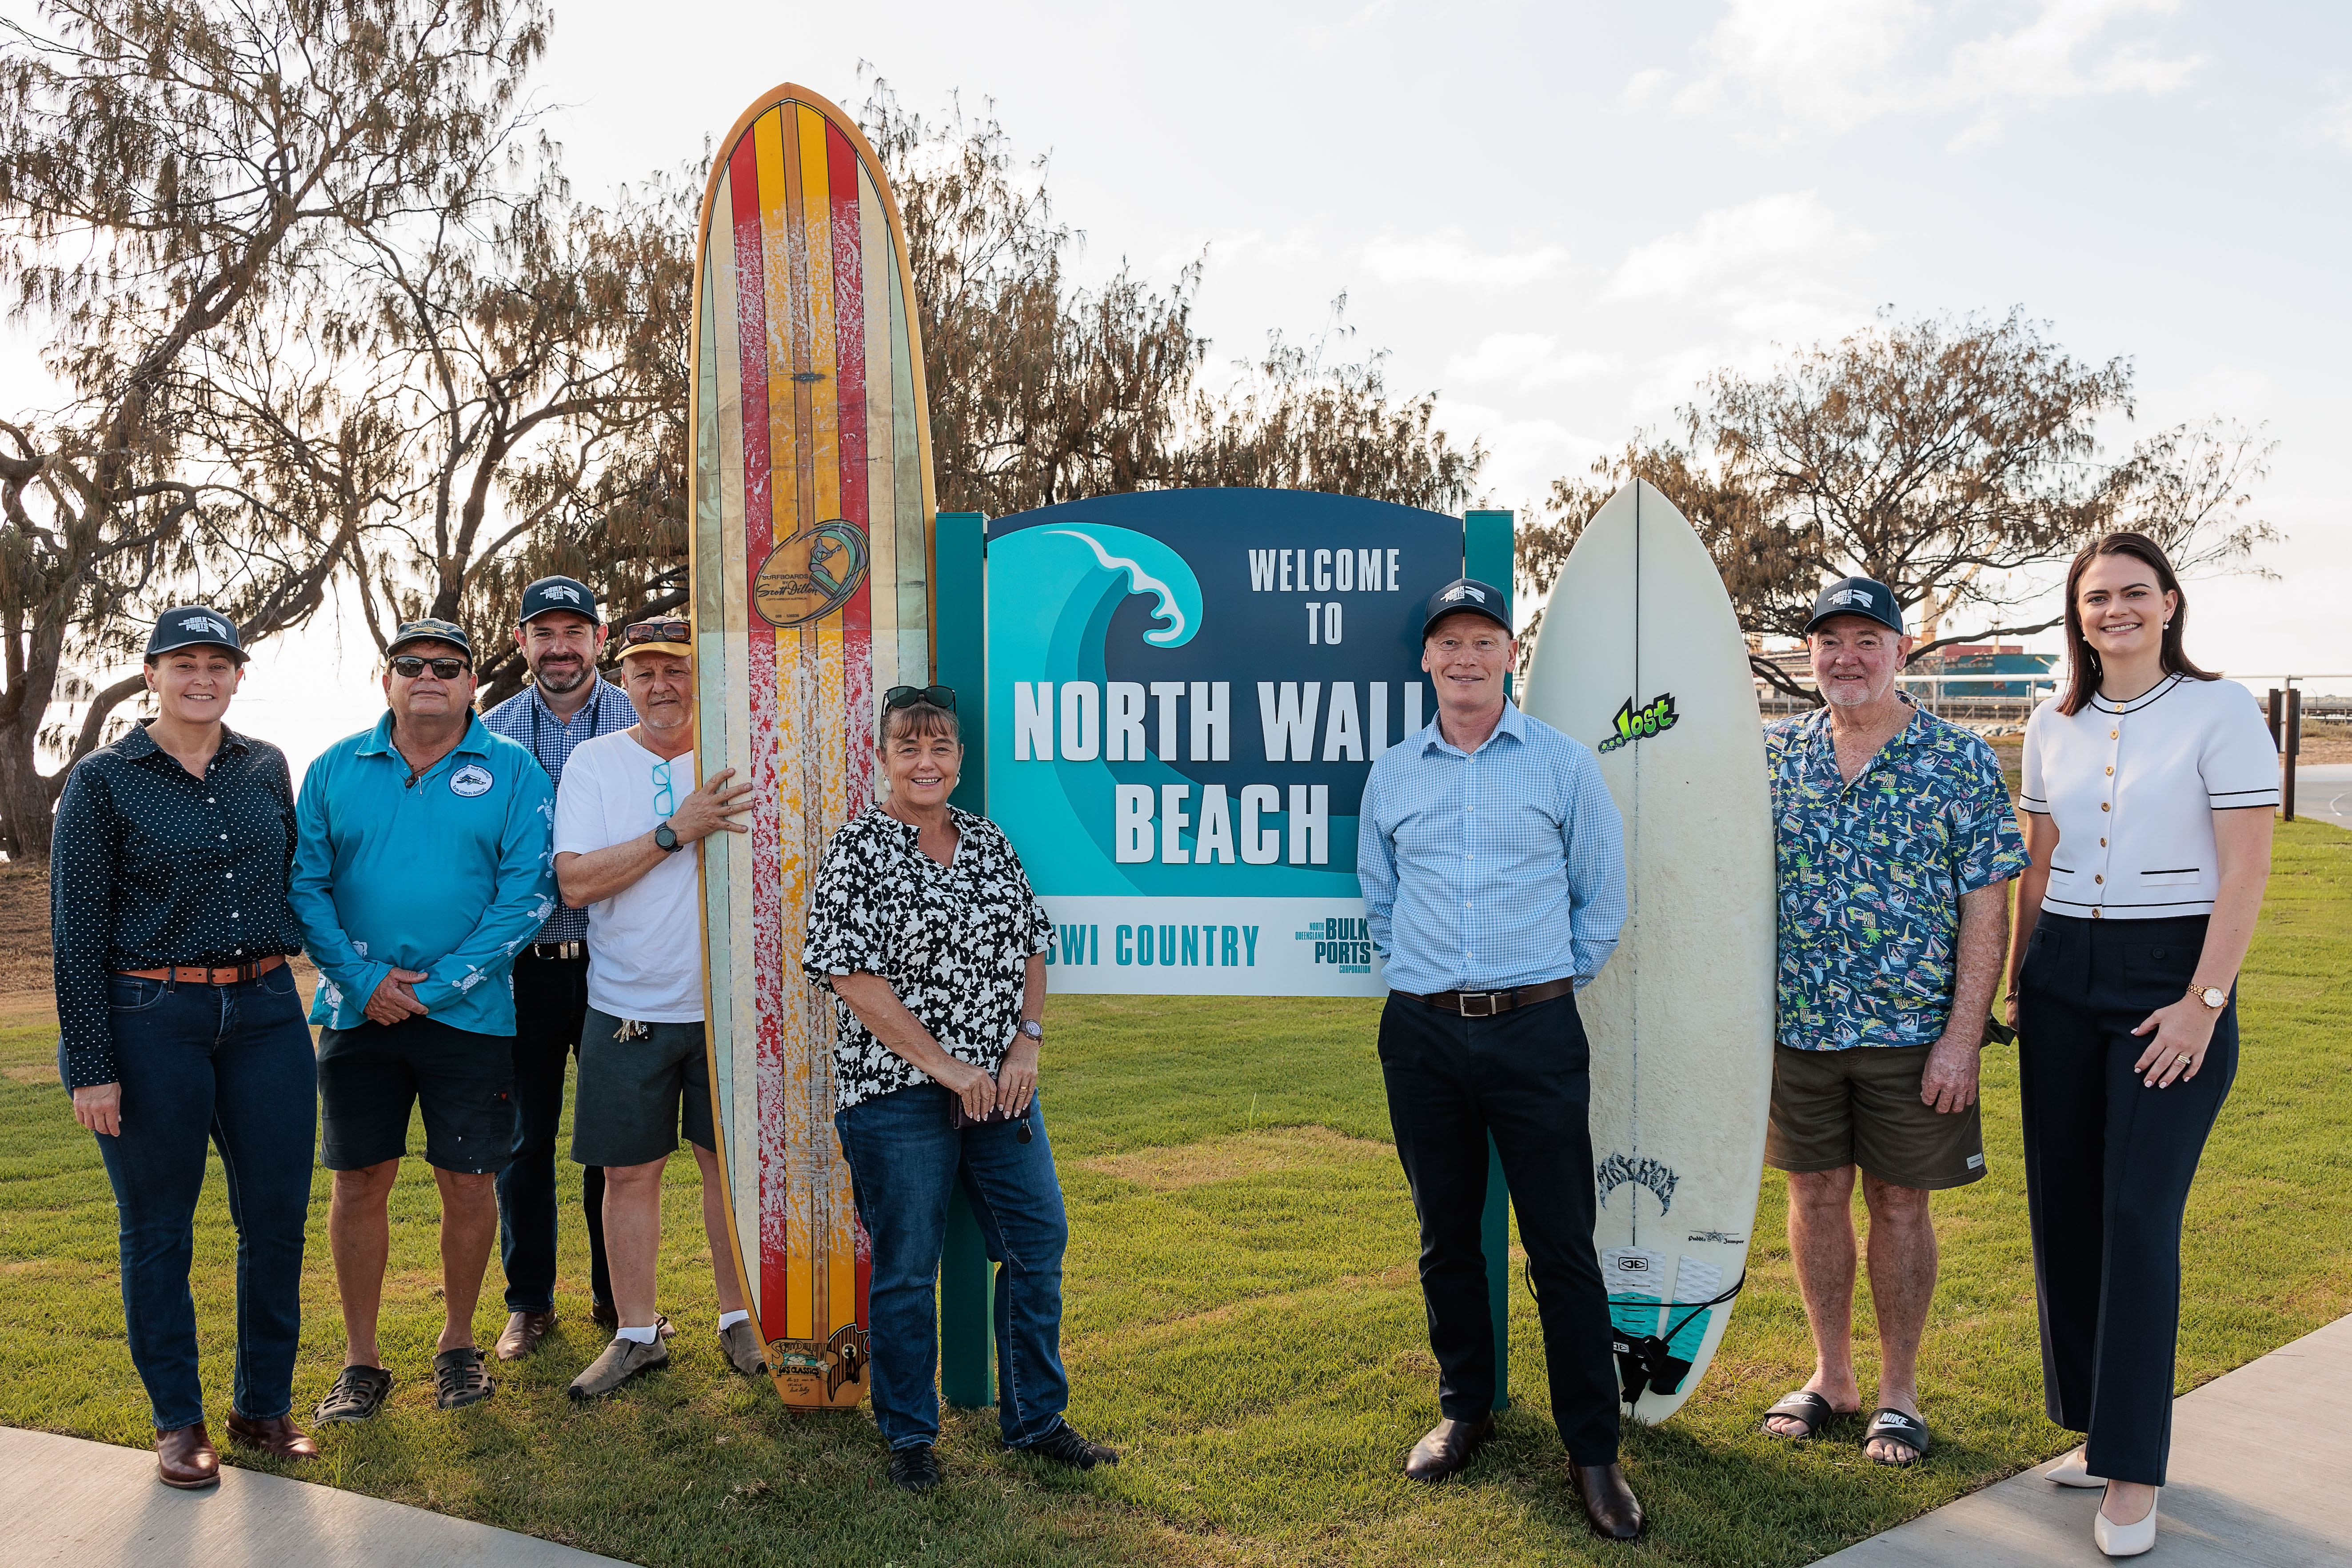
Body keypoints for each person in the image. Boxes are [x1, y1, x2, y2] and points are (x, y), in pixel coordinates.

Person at [2007, 534, 2275, 1558]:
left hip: (2170, 977)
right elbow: (2040, 863)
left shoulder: (2221, 709)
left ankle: (2132, 1468)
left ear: (2168, 602)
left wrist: (2204, 1001)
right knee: (2066, 1207)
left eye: (2132, 592)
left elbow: (2245, 870)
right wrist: (2018, 978)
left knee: (2135, 1212)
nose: (2113, 610)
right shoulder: (2051, 721)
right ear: (2076, 616)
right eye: (2094, 597)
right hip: (2060, 974)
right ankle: (2093, 1424)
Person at [1356, 579, 1639, 1540]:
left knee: (1561, 1245)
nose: (1465, 658)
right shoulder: (1395, 772)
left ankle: (1593, 1452)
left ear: (1509, 655)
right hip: (1423, 1034)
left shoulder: (1561, 764)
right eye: (1449, 643)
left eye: (1483, 640)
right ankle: (1464, 1408)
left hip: (1535, 1032)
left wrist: (1538, 988)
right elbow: (1380, 898)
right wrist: (1430, 982)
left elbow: (1601, 901)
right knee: (1445, 1237)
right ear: (1425, 660)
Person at [802, 684, 1117, 1492]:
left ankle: (1036, 1419)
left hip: (1000, 1090)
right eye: (908, 747)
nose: (925, 761)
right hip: (896, 1095)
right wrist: (946, 1066)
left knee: (1037, 1242)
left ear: (959, 759)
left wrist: (1026, 1043)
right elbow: (849, 974)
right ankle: (911, 1435)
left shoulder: (987, 839)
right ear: (882, 758)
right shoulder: (859, 848)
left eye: (939, 746)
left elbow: (1032, 944)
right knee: (910, 1267)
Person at [1757, 577, 2025, 1467]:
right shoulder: (1775, 754)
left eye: (1866, 640)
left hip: (1912, 1035)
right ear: (1810, 654)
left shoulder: (1958, 759)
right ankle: (1831, 1376)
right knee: (1813, 1195)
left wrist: (1962, 1036)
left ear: (1900, 651)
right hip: (1797, 1029)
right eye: (1829, 641)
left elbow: (1987, 904)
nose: (1847, 657)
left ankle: (1897, 1393)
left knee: (1900, 1204)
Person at [51, 608, 318, 1488]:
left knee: (275, 1219)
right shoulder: (102, 781)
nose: (202, 677)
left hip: (268, 1011)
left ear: (238, 675)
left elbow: (295, 879)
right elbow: (76, 933)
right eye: (184, 663)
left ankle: (263, 1405)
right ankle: (178, 1420)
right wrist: (93, 1066)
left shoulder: (266, 766)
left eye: (218, 663)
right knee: (159, 1229)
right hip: (150, 1016)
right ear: (151, 674)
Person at [291, 618, 556, 1421]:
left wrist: (433, 988)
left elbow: (528, 894)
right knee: (358, 1180)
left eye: (447, 665)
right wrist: (364, 980)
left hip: (471, 1017)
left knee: (469, 1181)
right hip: (356, 1012)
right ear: (388, 681)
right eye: (411, 664)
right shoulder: (336, 766)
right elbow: (306, 886)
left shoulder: (514, 770)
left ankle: (458, 1345)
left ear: (472, 682)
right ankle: (360, 1359)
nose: (428, 676)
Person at [550, 619, 765, 1397]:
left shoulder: (743, 756)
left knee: (727, 1170)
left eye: (675, 668)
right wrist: (675, 831)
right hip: (626, 1002)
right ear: (624, 682)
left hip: (731, 1007)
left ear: (702, 675)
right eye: (643, 672)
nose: (661, 685)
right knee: (627, 1172)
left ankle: (740, 1318)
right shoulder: (594, 761)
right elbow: (575, 882)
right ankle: (636, 1335)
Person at [480, 575, 639, 1359]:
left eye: (574, 631)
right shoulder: (492, 733)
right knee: (524, 1139)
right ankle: (529, 1302)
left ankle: (619, 1298)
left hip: (618, 960)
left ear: (599, 638)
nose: (560, 647)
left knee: (613, 1139)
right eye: (544, 633)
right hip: (525, 967)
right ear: (521, 643)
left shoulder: (643, 720)